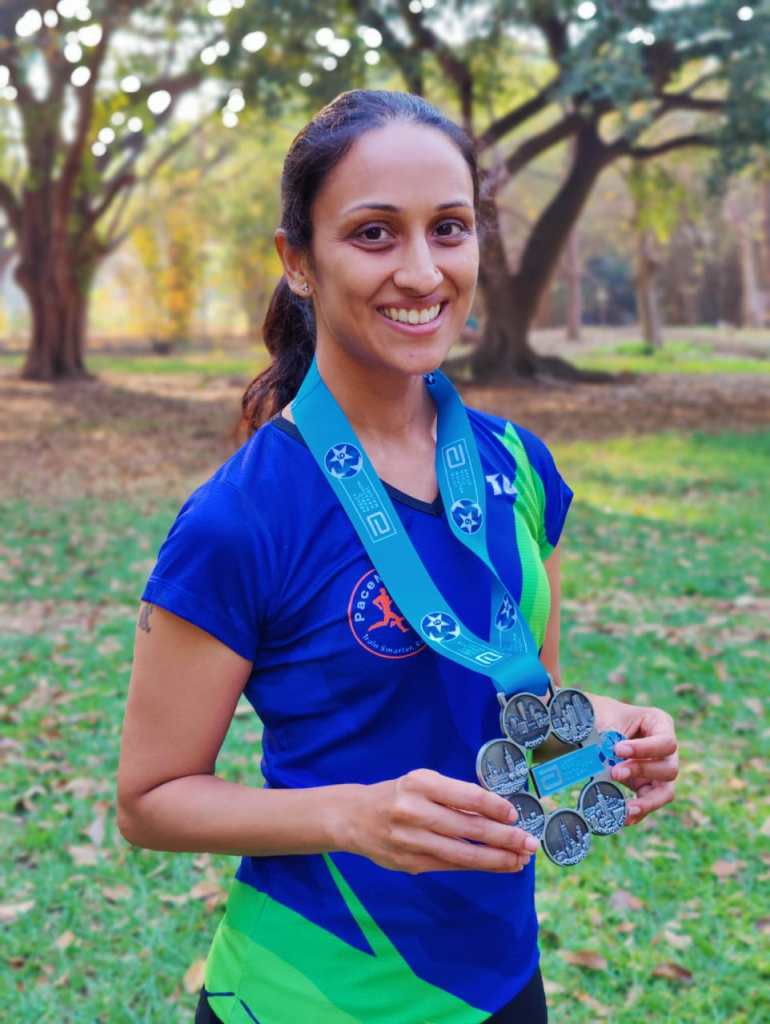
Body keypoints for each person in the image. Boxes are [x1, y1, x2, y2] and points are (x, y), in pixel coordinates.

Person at [116, 90, 679, 1024]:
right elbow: (149, 800)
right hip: (305, 994)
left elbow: (519, 710)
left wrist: (603, 742)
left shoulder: (517, 465)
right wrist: (350, 817)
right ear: (298, 260)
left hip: (500, 982)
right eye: (374, 234)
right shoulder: (239, 519)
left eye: (449, 228)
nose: (421, 272)